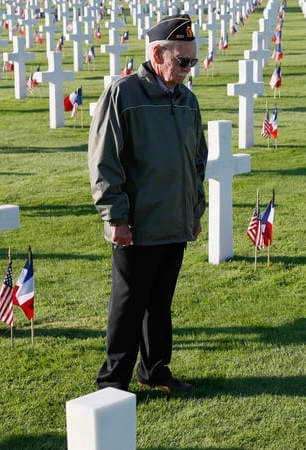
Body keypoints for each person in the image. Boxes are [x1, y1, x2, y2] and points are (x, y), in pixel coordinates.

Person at [88, 14, 207, 393]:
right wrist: (116, 217)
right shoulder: (123, 95)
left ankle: (155, 370)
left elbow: (196, 161)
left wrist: (195, 210)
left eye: (193, 61)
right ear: (157, 54)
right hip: (137, 225)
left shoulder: (188, 101)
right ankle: (113, 384)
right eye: (182, 61)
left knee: (160, 304)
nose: (188, 70)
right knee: (128, 307)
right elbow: (105, 160)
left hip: (174, 221)